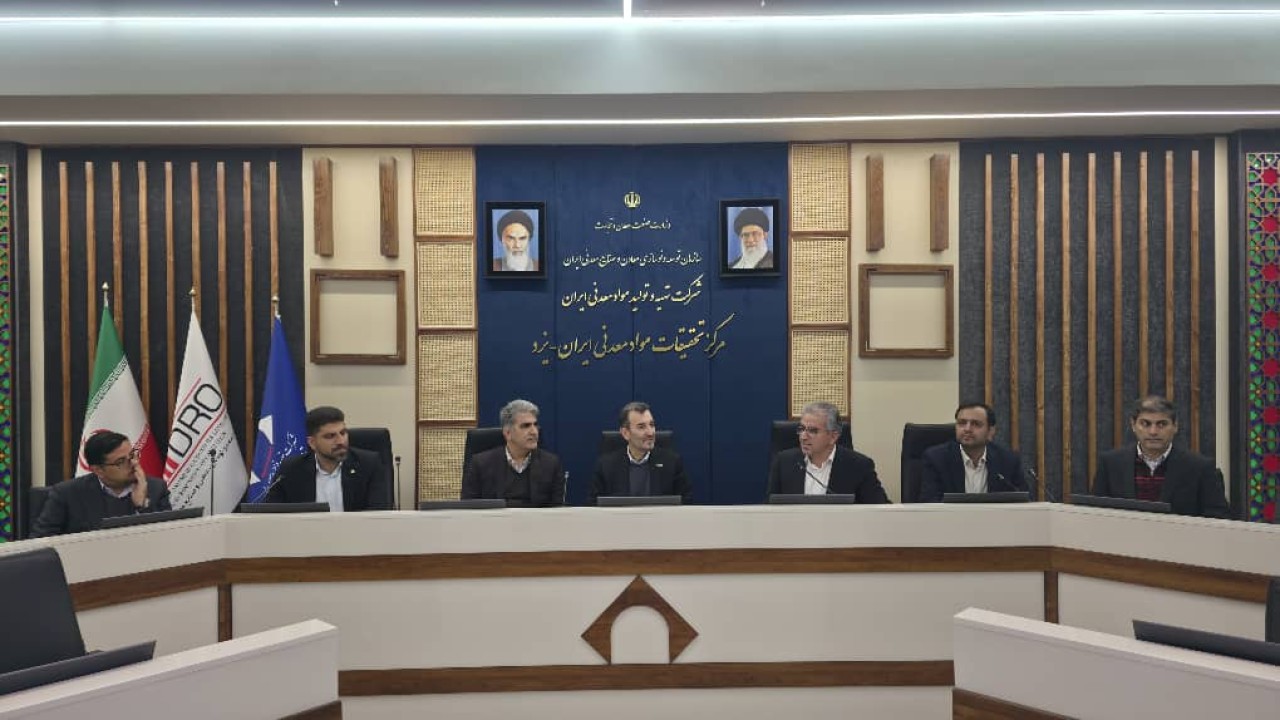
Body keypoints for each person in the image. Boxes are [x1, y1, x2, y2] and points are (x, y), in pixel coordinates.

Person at [1092, 395, 1229, 518]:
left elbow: (1218, 519)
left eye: (1162, 424)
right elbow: (1095, 514)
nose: (1153, 432)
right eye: (1145, 424)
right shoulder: (1110, 464)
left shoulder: (1200, 468)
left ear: (1175, 426)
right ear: (1133, 425)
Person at [32, 431, 172, 537]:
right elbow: (40, 541)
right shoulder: (67, 494)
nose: (133, 463)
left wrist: (142, 506)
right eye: (121, 462)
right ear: (98, 470)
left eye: (132, 455)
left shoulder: (155, 489)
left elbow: (166, 538)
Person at [263, 406, 391, 511]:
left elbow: (378, 513)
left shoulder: (368, 465)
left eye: (343, 433)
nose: (340, 441)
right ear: (312, 443)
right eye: (330, 436)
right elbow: (270, 513)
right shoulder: (291, 469)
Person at [766, 402, 889, 502]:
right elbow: (768, 509)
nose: (803, 437)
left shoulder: (859, 466)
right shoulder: (784, 462)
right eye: (801, 429)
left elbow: (881, 511)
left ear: (833, 437)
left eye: (812, 431)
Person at [462, 399, 565, 507]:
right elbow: (468, 509)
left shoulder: (551, 464)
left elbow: (557, 511)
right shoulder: (481, 464)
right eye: (526, 426)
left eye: (535, 425)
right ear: (508, 433)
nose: (534, 432)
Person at [919, 402, 1029, 502]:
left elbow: (1022, 502)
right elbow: (929, 503)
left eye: (976, 424)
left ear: (990, 431)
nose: (967, 429)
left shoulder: (1008, 461)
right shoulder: (936, 459)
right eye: (962, 423)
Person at [591, 401, 692, 504]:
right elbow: (593, 506)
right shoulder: (606, 466)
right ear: (625, 433)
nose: (650, 433)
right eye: (641, 427)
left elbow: (686, 504)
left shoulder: (672, 463)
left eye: (651, 425)